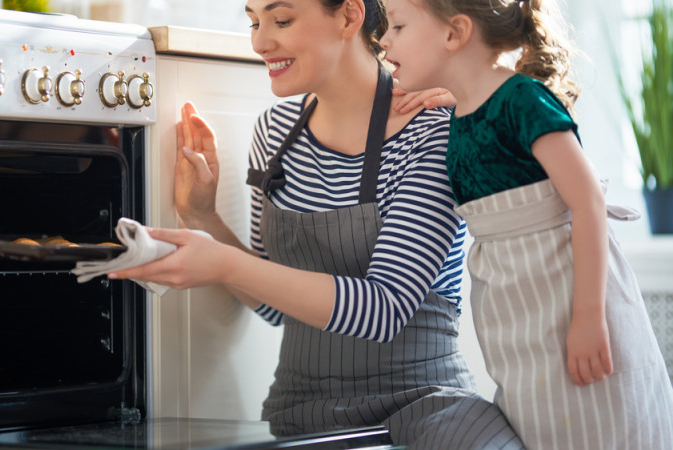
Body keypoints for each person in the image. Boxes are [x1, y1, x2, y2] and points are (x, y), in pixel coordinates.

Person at [110, 0, 524, 448]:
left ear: (349, 16)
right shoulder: (275, 132)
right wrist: (202, 216)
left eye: (281, 20)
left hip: (427, 414)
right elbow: (274, 304)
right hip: (304, 419)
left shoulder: (432, 131)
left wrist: (224, 263)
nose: (260, 41)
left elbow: (384, 309)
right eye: (253, 22)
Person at [379, 0, 673, 448]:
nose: (385, 40)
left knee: (607, 422)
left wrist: (589, 319)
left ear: (454, 33)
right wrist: (460, 94)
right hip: (519, 321)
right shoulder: (465, 111)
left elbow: (588, 201)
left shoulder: (523, 100)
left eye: (398, 25)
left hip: (572, 300)